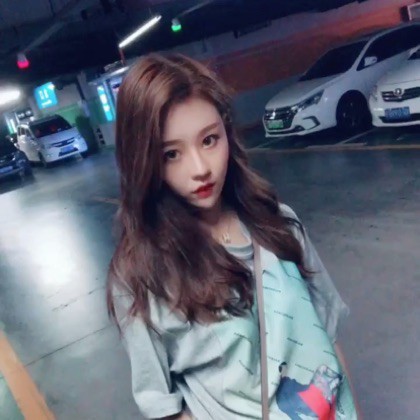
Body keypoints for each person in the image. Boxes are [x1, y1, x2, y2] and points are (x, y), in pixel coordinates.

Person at [107, 53, 360, 420]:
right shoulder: (141, 274)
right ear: (142, 161)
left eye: (209, 140)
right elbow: (163, 406)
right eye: (171, 154)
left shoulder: (279, 225)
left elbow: (328, 342)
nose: (200, 168)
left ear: (227, 132)